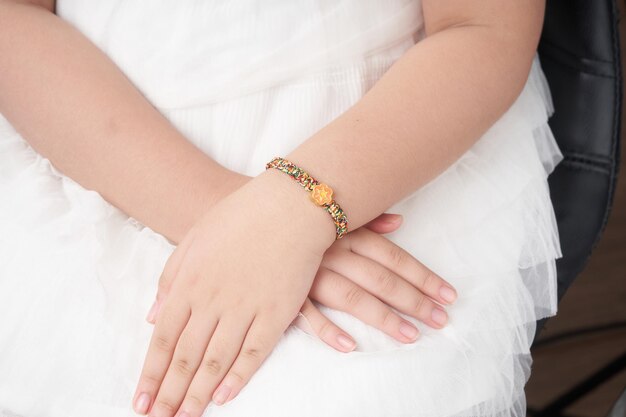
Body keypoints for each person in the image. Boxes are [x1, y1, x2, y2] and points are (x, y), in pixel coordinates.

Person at [0, 0, 563, 416]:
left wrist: (297, 208)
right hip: (82, 129)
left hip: (386, 136)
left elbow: (484, 26)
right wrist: (247, 224)